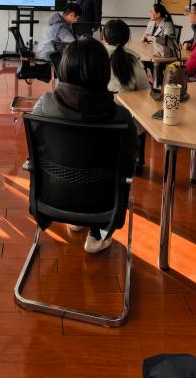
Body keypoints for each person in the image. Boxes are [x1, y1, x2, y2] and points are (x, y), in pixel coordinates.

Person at [30, 37, 137, 254]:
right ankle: (96, 235)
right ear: (104, 71)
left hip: (53, 197)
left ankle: (75, 220)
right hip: (103, 205)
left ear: (64, 67)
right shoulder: (121, 117)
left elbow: (35, 151)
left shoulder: (44, 106)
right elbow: (130, 159)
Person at [103, 18, 150, 175]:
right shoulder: (134, 60)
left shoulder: (98, 57)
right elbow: (145, 89)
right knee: (141, 121)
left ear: (104, 37)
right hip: (128, 116)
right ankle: (138, 161)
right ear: (127, 38)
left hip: (101, 113)